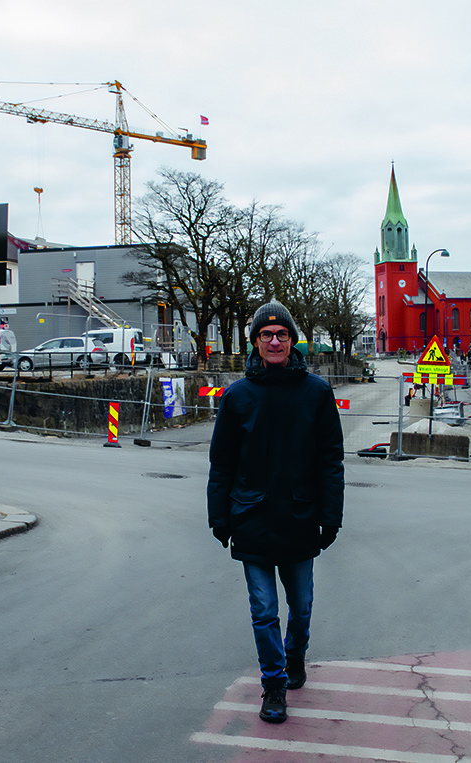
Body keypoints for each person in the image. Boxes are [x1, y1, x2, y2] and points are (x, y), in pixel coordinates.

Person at [207, 301, 345, 724]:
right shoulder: (237, 396)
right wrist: (220, 518)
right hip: (251, 519)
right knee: (264, 609)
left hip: (301, 519)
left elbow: (331, 461)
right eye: (265, 335)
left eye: (281, 334)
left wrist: (331, 517)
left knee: (300, 607)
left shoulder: (316, 393)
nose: (273, 341)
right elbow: (222, 464)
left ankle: (295, 655)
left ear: (292, 341)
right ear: (255, 343)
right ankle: (273, 684)